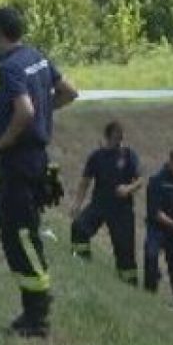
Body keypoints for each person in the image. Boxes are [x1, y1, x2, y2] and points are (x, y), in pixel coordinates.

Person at [0, 6, 77, 337]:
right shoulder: (36, 57)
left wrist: (1, 142)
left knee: (19, 234)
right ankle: (35, 307)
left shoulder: (10, 67)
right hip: (38, 158)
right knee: (30, 230)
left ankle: (36, 314)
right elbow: (69, 92)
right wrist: (45, 110)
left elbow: (24, 111)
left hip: (18, 161)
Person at [69, 121, 143, 285]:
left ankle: (129, 283)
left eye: (122, 136)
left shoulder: (129, 155)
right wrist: (77, 203)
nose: (120, 140)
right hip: (99, 204)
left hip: (122, 209)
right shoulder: (96, 157)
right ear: (109, 136)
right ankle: (82, 262)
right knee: (79, 227)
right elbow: (85, 181)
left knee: (125, 249)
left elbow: (139, 180)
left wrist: (128, 188)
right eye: (117, 136)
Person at [143, 148, 173, 313]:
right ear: (171, 163)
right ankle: (148, 296)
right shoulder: (157, 180)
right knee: (151, 256)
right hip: (157, 229)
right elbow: (155, 212)